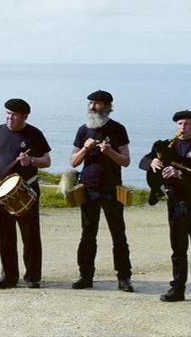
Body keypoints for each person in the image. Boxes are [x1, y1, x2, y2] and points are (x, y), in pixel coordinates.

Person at [139, 110, 191, 305]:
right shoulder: (167, 145)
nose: (183, 128)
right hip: (175, 204)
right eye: (180, 124)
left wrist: (179, 174)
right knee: (178, 249)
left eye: (188, 124)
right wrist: (152, 161)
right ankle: (177, 288)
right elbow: (142, 162)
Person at [0, 98, 51, 289]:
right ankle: (9, 277)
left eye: (14, 115)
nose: (9, 118)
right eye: (7, 113)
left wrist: (32, 161)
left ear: (24, 116)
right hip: (1, 191)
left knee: (30, 235)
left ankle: (33, 277)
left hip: (26, 189)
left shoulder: (34, 134)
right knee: (5, 234)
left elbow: (47, 160)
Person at [69, 90, 134, 292]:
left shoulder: (118, 129)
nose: (92, 107)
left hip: (112, 189)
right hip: (88, 189)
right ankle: (85, 276)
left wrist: (110, 152)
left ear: (107, 106)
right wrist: (85, 149)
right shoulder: (83, 130)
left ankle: (124, 278)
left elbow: (126, 161)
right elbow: (74, 161)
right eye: (90, 103)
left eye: (96, 103)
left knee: (118, 234)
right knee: (88, 234)